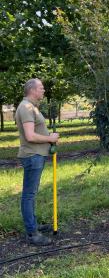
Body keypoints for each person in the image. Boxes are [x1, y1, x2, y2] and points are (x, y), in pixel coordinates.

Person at [15, 78, 59, 246]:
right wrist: (50, 138)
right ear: (32, 90)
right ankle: (32, 233)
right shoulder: (26, 108)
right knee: (29, 195)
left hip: (36, 155)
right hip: (32, 156)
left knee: (31, 194)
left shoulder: (31, 107)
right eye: (41, 88)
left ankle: (33, 224)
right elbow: (30, 136)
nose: (44, 90)